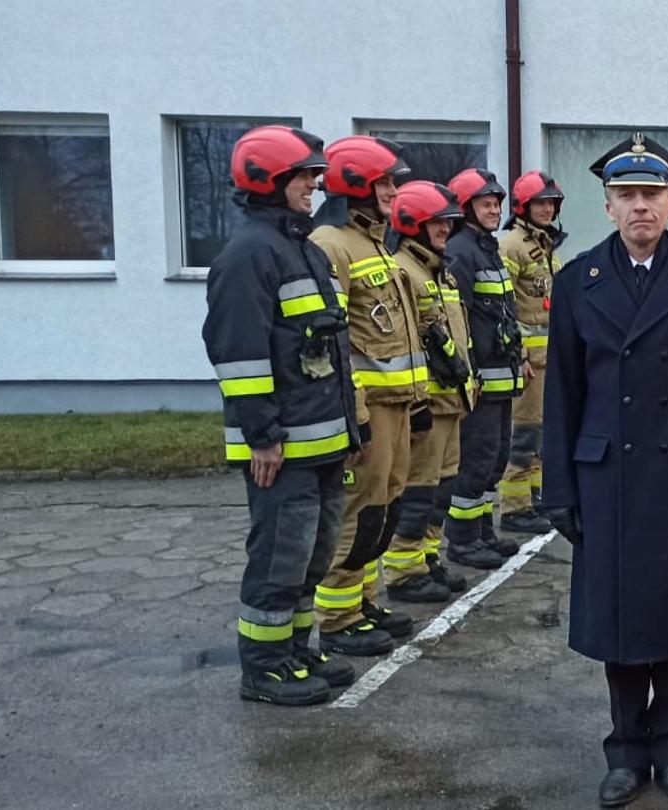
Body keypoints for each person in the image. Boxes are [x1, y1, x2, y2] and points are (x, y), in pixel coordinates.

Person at [539, 134, 668, 806]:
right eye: (627, 196)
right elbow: (563, 397)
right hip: (609, 479)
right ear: (608, 207)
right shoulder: (578, 283)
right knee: (620, 622)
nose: (640, 208)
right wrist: (559, 488)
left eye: (651, 195)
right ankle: (627, 751)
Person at [204, 125, 360, 705]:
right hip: (282, 447)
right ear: (268, 181)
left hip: (323, 441)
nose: (314, 187)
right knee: (279, 557)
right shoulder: (249, 254)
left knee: (312, 554)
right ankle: (264, 666)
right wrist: (261, 436)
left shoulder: (306, 249)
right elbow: (238, 352)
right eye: (303, 177)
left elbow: (329, 352)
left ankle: (295, 649)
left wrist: (349, 429)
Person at [308, 136, 423, 655]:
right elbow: (331, 341)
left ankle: (364, 600)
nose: (393, 192)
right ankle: (336, 616)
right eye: (385, 183)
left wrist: (417, 399)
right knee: (358, 510)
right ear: (354, 185)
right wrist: (352, 414)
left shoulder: (375, 243)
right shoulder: (331, 245)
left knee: (385, 508)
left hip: (397, 406)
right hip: (367, 409)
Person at [379, 180, 475, 604]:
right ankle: (404, 570)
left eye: (448, 222)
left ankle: (427, 557)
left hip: (451, 400)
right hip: (427, 403)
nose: (445, 229)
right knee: (419, 488)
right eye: (437, 222)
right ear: (413, 223)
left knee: (442, 486)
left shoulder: (439, 269)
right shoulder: (405, 271)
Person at [443, 168, 524, 569]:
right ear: (466, 207)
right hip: (480, 380)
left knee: (495, 459)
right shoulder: (461, 251)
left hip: (502, 377)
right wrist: (468, 373)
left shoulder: (487, 247)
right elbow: (456, 316)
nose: (494, 209)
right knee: (475, 462)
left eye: (496, 204)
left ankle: (482, 532)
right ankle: (461, 540)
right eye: (485, 203)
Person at [496, 171, 568, 536]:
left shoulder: (543, 246)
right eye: (540, 202)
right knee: (523, 435)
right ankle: (513, 507)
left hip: (548, 360)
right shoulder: (511, 245)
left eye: (551, 203)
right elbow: (504, 305)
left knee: (540, 435)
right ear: (524, 207)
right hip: (528, 363)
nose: (547, 208)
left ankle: (534, 497)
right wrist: (518, 356)